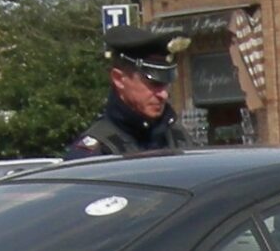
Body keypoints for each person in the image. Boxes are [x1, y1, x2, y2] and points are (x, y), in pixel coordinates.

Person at [66, 27, 192, 158]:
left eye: (166, 83)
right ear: (119, 79)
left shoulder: (180, 140)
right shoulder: (95, 153)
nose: (163, 94)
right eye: (154, 83)